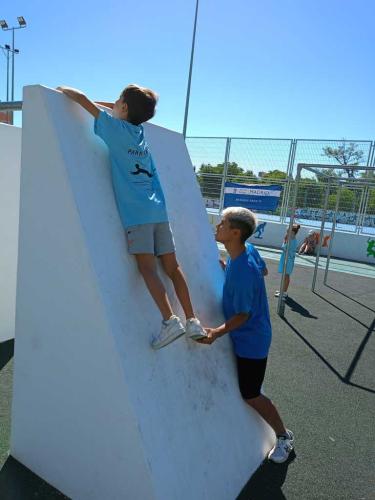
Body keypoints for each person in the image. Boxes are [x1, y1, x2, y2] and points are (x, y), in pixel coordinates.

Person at [56, 84, 207, 349]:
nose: (113, 103)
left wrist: (61, 89)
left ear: (124, 108)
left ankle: (170, 320)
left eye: (118, 101)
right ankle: (193, 319)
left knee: (147, 268)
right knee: (173, 268)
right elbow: (113, 109)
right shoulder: (139, 131)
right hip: (159, 210)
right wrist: (116, 106)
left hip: (137, 214)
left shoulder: (114, 129)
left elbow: (81, 98)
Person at [199, 207, 294, 464]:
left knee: (251, 393)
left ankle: (284, 437)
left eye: (222, 224)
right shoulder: (246, 251)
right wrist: (228, 269)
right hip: (250, 334)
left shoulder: (243, 269)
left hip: (252, 340)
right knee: (250, 389)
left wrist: (216, 332)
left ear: (235, 232)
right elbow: (262, 271)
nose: (217, 227)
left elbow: (244, 315)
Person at [275, 224, 300, 299]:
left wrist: (285, 240)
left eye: (288, 231)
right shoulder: (289, 238)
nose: (287, 233)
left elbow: (287, 249)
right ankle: (282, 291)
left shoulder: (292, 240)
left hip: (288, 259)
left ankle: (284, 292)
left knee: (286, 276)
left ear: (292, 232)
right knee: (284, 275)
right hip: (286, 258)